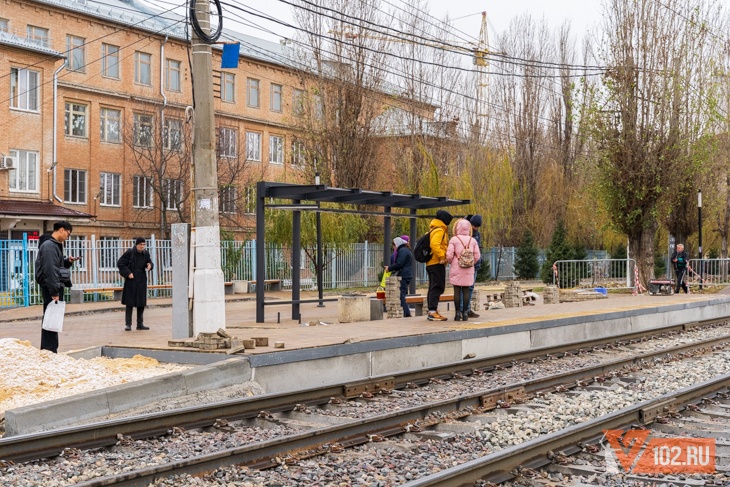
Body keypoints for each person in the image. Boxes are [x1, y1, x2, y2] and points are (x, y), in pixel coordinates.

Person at [35, 221, 79, 353]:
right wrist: (54, 291)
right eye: (68, 234)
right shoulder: (49, 246)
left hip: (53, 285)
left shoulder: (54, 245)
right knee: (51, 317)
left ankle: (51, 349)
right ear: (61, 230)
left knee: (53, 318)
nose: (67, 237)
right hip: (51, 287)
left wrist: (67, 261)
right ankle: (49, 349)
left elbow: (56, 266)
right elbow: (50, 270)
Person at [446, 218, 481, 321]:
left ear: (457, 228)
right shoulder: (472, 240)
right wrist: (471, 262)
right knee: (466, 290)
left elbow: (449, 255)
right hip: (469, 269)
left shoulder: (454, 239)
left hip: (456, 267)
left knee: (457, 291)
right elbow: (477, 255)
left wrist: (451, 261)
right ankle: (465, 313)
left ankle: (457, 314)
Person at [117, 237, 154, 331]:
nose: (142, 246)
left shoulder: (145, 253)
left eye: (144, 245)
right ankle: (128, 324)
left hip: (141, 280)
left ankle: (140, 324)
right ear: (136, 245)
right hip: (131, 280)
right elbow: (120, 263)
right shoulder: (130, 252)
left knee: (141, 303)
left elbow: (149, 262)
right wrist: (128, 273)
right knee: (129, 303)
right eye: (141, 244)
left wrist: (150, 265)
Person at [426, 210, 453, 321]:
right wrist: (442, 256)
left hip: (431, 263)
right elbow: (434, 244)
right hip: (436, 262)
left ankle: (432, 310)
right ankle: (432, 311)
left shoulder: (433, 229)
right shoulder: (440, 230)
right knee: (438, 287)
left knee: (433, 287)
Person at [385, 236, 414, 317]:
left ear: (397, 244)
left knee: (401, 295)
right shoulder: (406, 250)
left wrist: (389, 268)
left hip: (404, 275)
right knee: (402, 294)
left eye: (394, 245)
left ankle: (406, 313)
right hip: (407, 274)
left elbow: (399, 263)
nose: (394, 247)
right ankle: (406, 312)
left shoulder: (402, 251)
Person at [465, 214, 483, 318]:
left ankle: (467, 309)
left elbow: (477, 248)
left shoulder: (477, 234)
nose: (475, 228)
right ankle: (463, 309)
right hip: (466, 264)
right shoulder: (465, 233)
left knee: (471, 287)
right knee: (465, 287)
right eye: (474, 226)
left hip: (475, 264)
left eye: (477, 226)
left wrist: (479, 259)